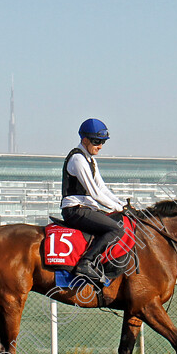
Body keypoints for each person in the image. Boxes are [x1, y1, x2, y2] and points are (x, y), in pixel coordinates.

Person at [61, 118, 127, 282]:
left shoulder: (90, 160)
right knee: (116, 230)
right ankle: (86, 262)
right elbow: (95, 193)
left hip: (86, 209)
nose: (100, 146)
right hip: (75, 210)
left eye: (103, 142)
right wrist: (117, 208)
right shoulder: (78, 159)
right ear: (85, 140)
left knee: (119, 221)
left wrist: (122, 205)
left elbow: (103, 188)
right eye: (97, 142)